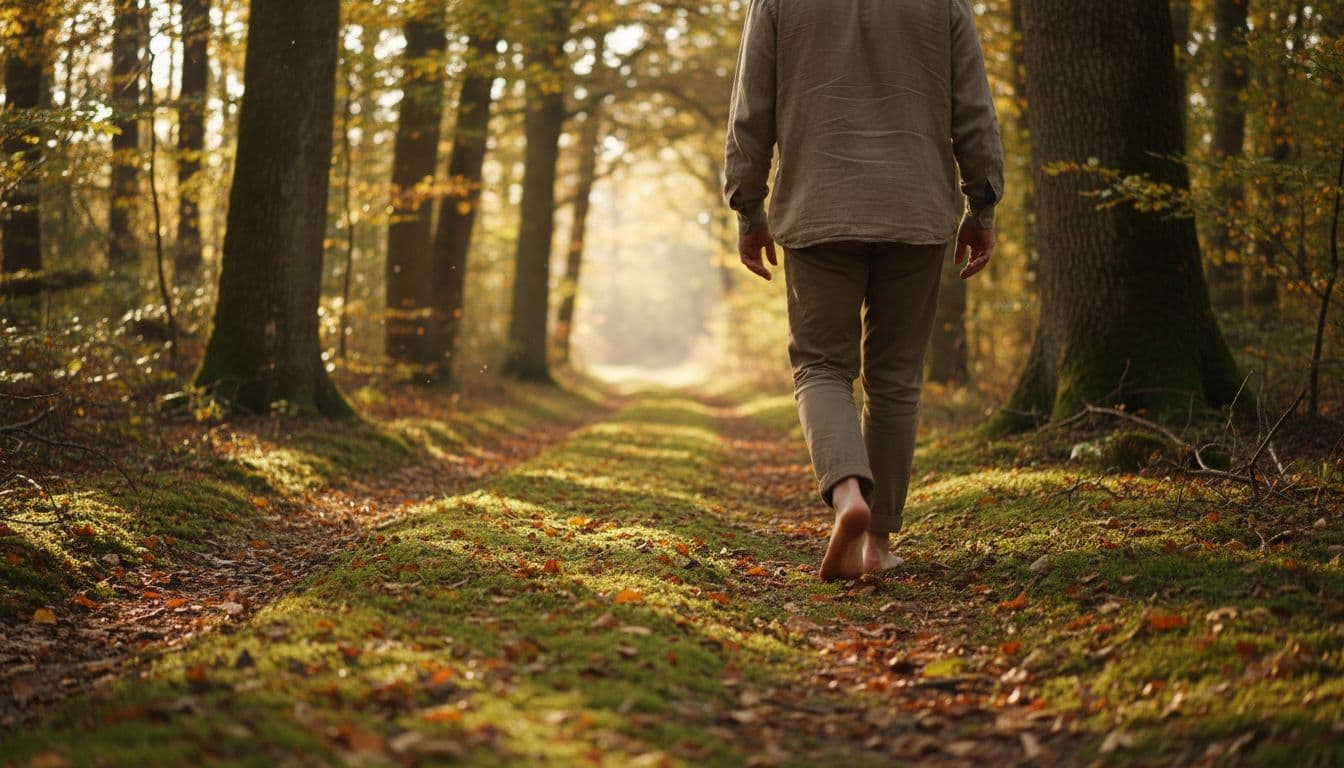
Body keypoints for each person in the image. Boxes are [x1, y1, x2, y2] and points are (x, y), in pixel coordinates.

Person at [724, 0, 1004, 580]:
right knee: (895, 379)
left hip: (817, 207)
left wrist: (747, 208)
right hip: (916, 209)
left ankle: (847, 490)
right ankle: (877, 542)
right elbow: (973, 107)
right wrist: (983, 202)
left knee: (822, 367)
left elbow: (751, 109)